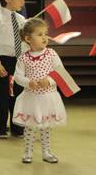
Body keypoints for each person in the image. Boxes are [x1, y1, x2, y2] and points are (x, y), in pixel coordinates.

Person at [12, 17, 67, 164]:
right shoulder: (23, 58)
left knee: (46, 127)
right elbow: (17, 77)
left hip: (48, 98)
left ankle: (46, 152)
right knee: (30, 127)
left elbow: (60, 72)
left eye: (45, 34)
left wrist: (49, 80)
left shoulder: (51, 54)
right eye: (40, 34)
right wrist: (28, 82)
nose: (44, 37)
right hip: (31, 99)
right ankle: (28, 152)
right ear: (28, 39)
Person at [0, 0, 28, 139]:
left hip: (18, 61)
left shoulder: (21, 19)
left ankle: (17, 127)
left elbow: (23, 42)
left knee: (18, 94)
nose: (23, 1)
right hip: (3, 61)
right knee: (1, 96)